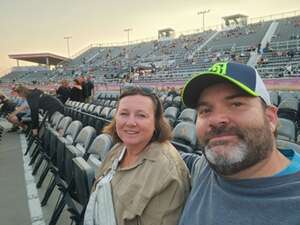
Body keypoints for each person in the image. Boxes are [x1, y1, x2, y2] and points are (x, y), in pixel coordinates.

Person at [179, 62, 300, 225]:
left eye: (236, 104)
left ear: (270, 118)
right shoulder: (206, 167)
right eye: (205, 110)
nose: (216, 120)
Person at [84, 86, 190, 225]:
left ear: (156, 122)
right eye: (124, 113)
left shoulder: (166, 172)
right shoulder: (118, 149)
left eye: (141, 115)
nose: (130, 123)